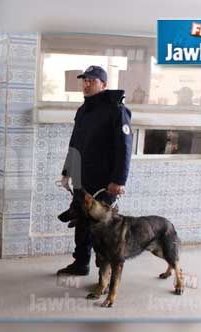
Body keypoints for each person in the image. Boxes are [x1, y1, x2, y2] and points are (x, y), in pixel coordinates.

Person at [56, 65, 133, 276]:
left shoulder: (116, 110)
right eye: (85, 80)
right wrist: (67, 172)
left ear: (104, 84)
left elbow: (124, 147)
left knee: (103, 229)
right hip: (82, 178)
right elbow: (75, 143)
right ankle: (81, 263)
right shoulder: (84, 110)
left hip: (103, 182)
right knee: (82, 222)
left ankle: (104, 274)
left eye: (92, 80)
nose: (86, 84)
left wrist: (119, 180)